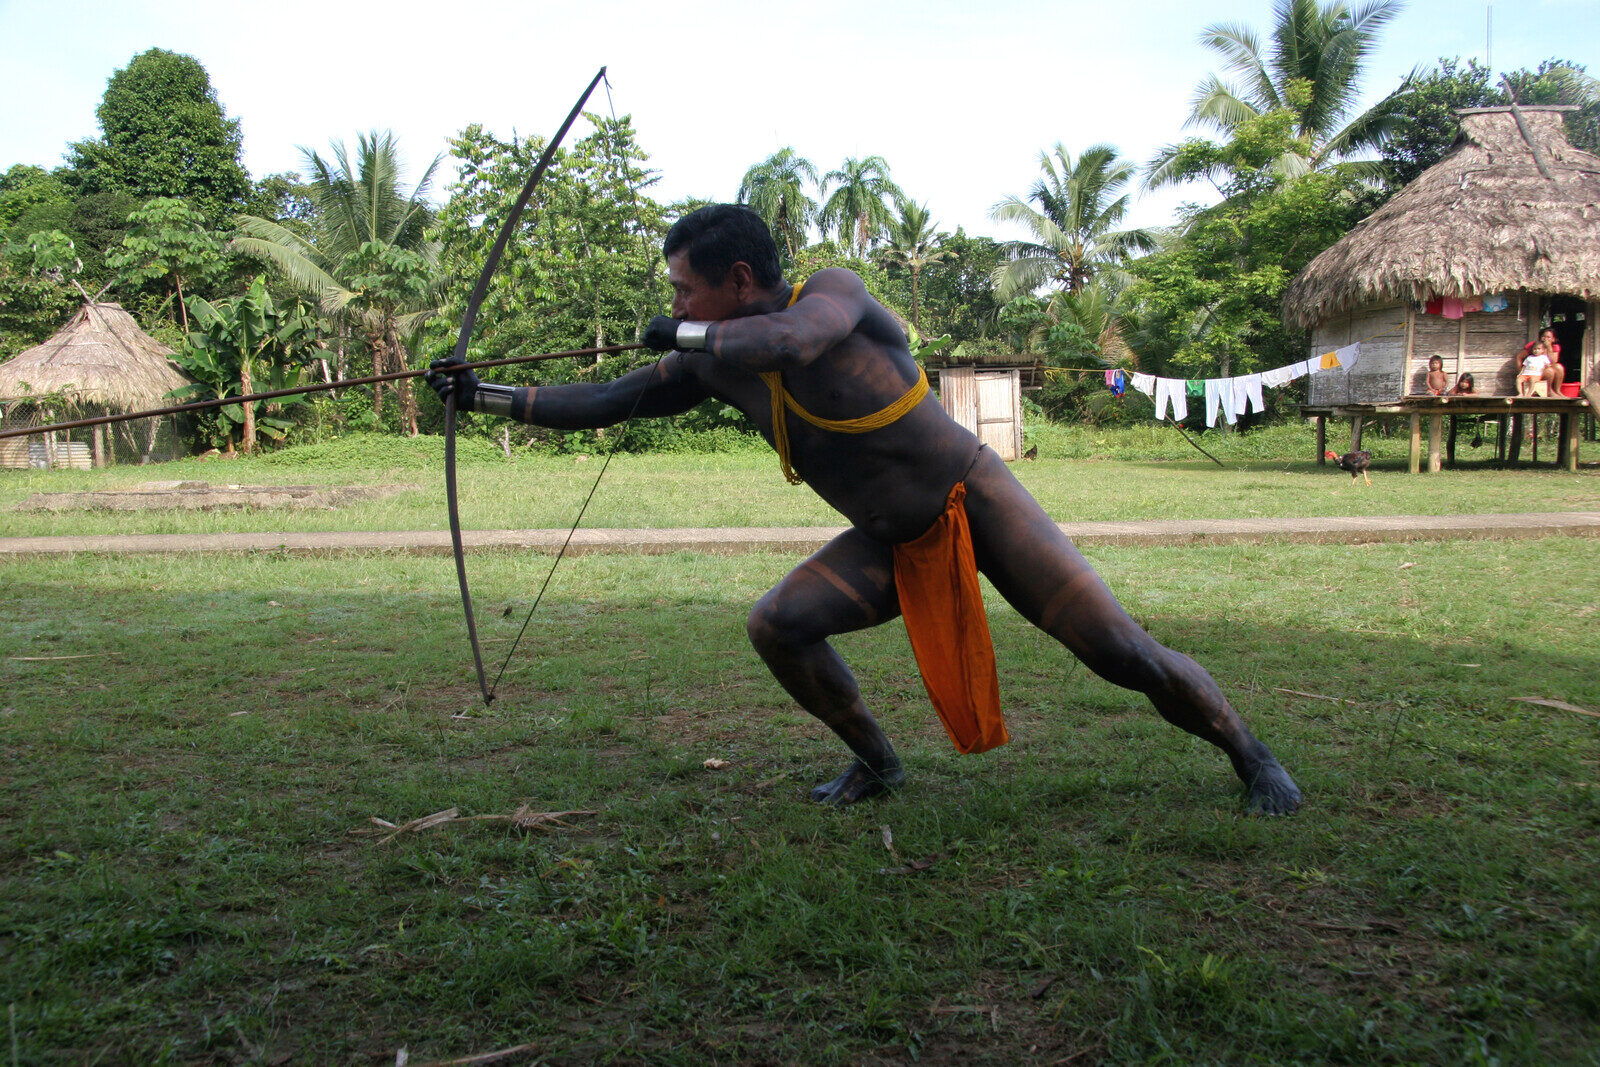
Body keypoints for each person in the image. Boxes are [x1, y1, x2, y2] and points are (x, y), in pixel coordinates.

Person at [426, 205, 1301, 815]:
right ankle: (878, 764)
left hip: (976, 499)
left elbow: (791, 342)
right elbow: (606, 399)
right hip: (890, 540)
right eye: (675, 297)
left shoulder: (830, 294)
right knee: (777, 625)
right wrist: (487, 397)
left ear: (738, 279)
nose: (677, 305)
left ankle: (1251, 755)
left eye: (687, 290)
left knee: (1119, 651)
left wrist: (686, 333)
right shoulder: (712, 359)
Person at [1521, 328, 1566, 396]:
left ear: (1553, 339)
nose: (1545, 339)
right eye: (1543, 336)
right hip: (1534, 371)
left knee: (1559, 367)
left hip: (1544, 368)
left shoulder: (1555, 347)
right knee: (1549, 371)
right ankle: (1549, 390)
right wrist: (1521, 373)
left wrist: (1549, 348)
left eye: (1548, 337)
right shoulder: (1534, 345)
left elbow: (1553, 361)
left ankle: (1557, 390)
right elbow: (1519, 357)